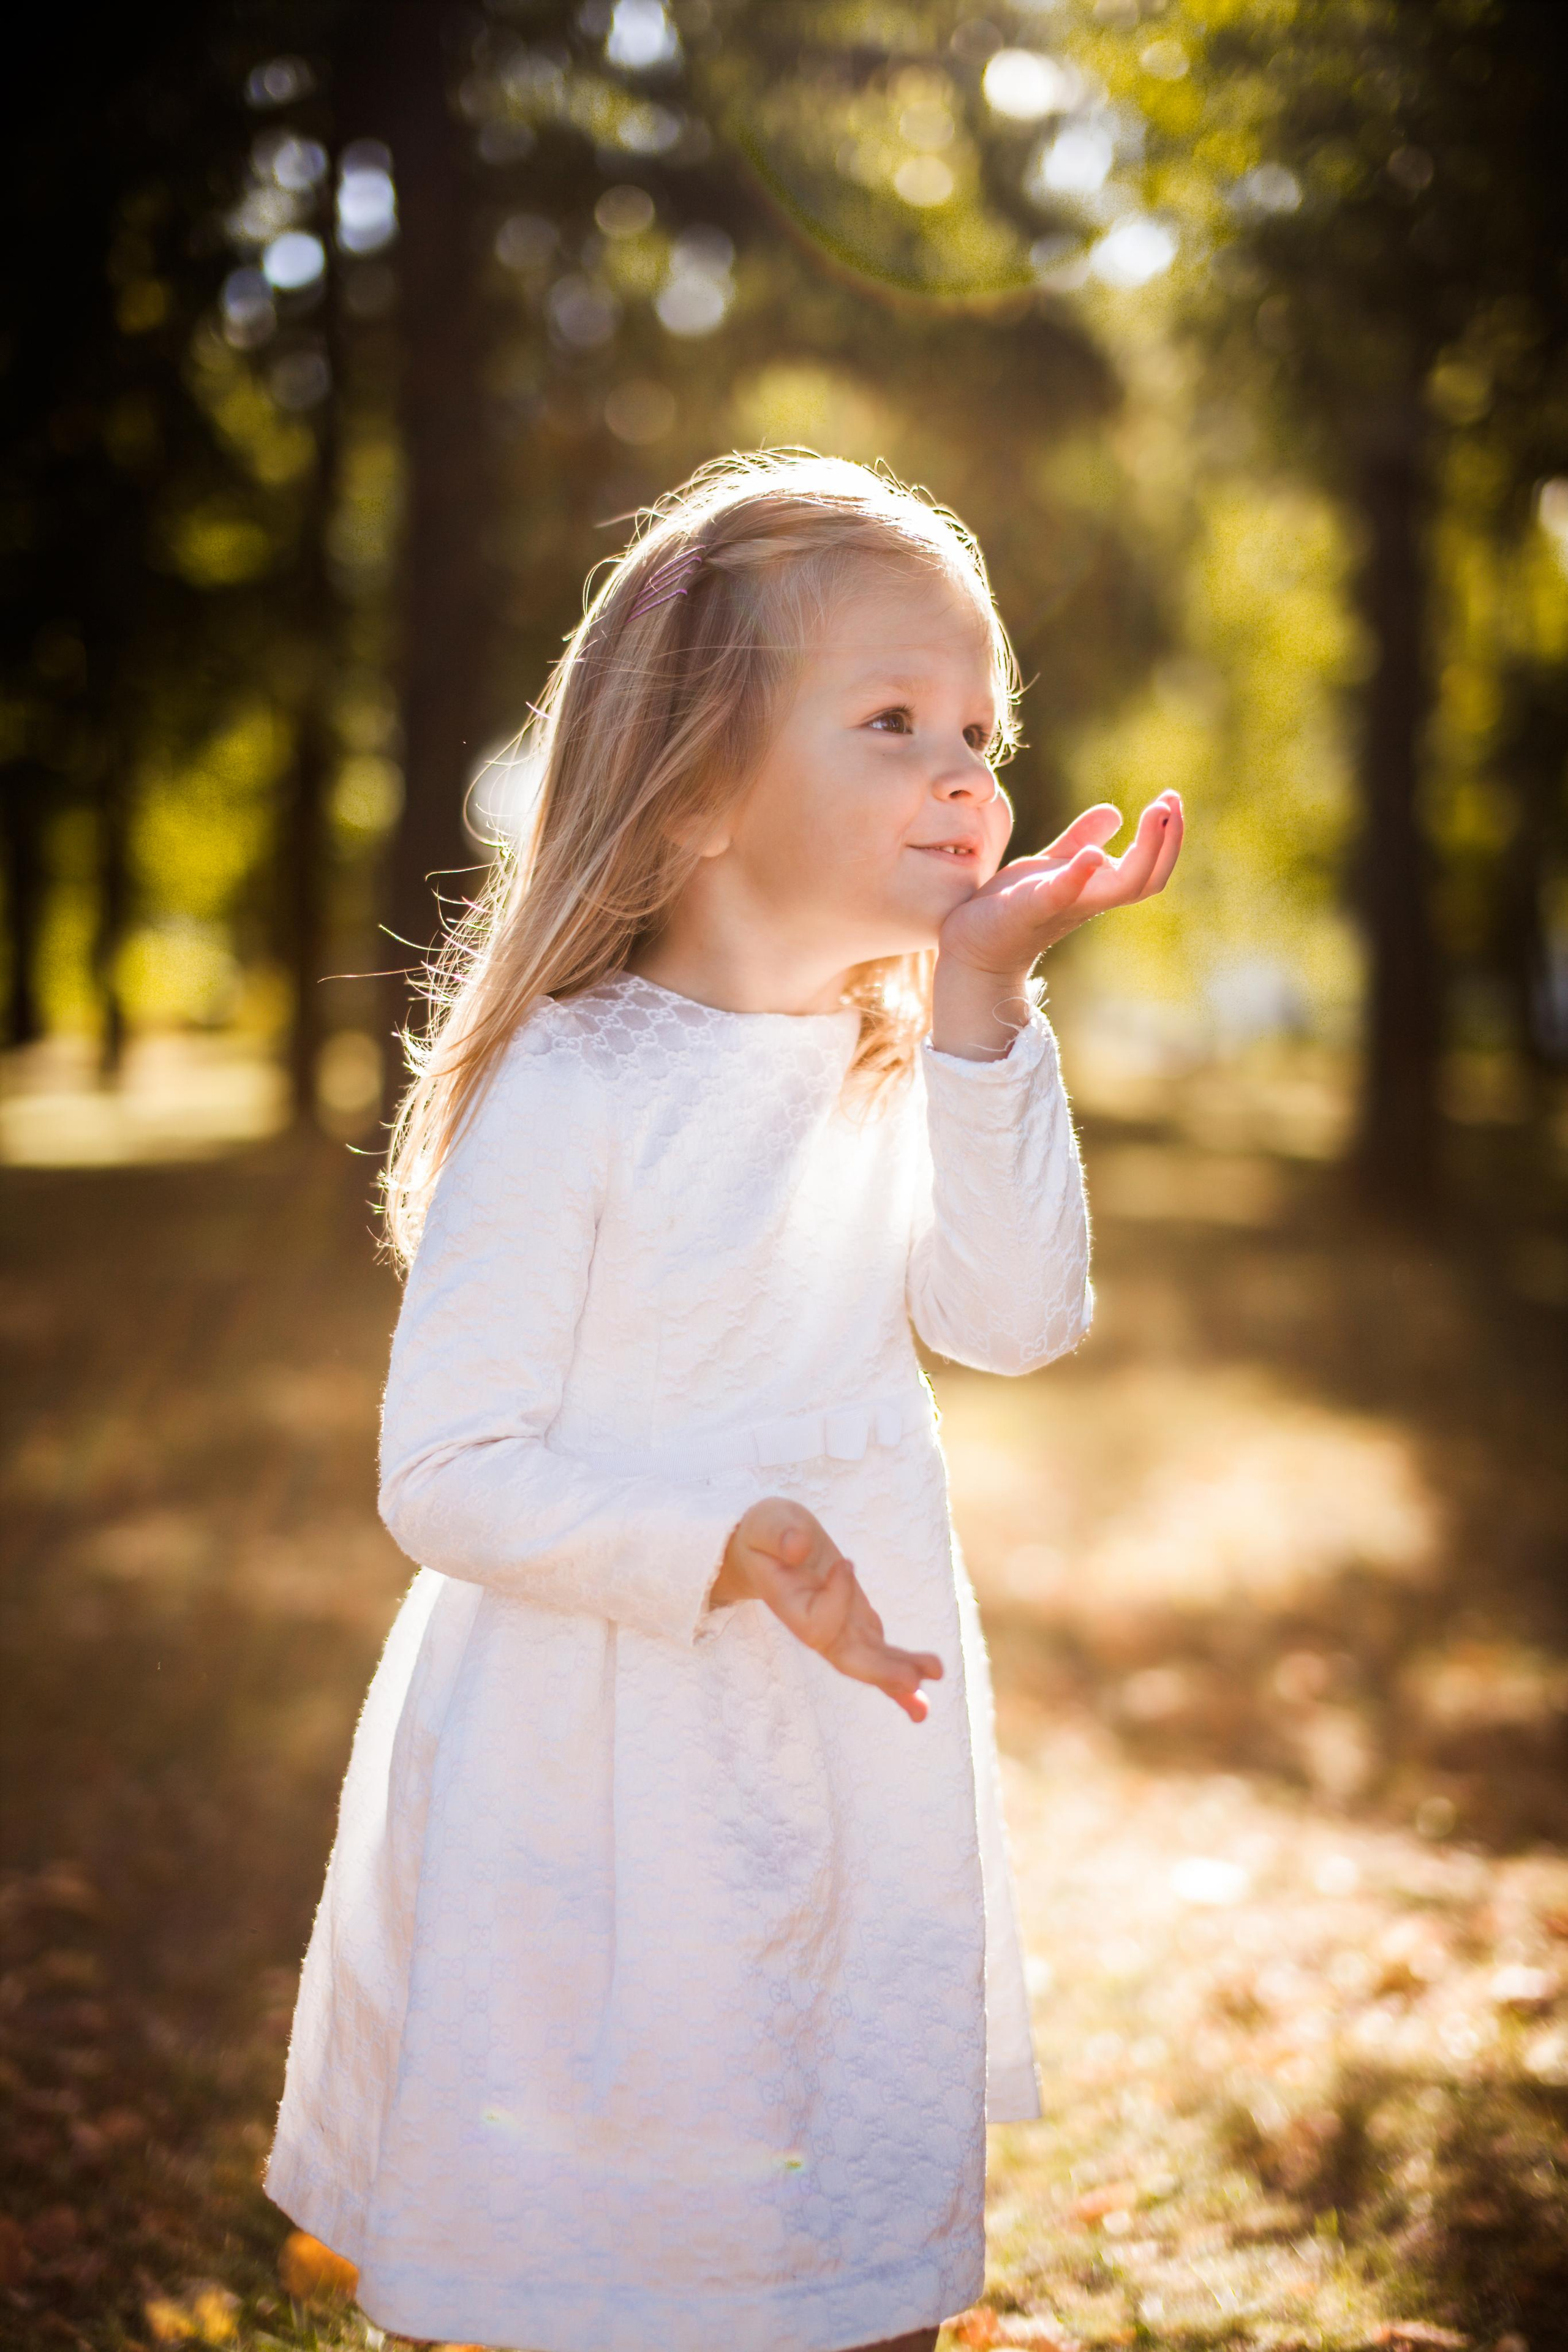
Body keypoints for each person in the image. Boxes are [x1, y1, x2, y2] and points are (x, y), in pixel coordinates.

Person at [266, 451, 1182, 2352]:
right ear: (696, 789)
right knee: (588, 2242)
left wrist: (991, 1012)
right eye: (894, 721)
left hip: (843, 1764)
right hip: (590, 1773)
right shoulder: (582, 1086)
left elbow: (1016, 1319)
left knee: (833, 2223)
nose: (966, 771)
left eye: (980, 727)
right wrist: (718, 1542)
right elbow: (446, 1471)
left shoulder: (897, 1067)